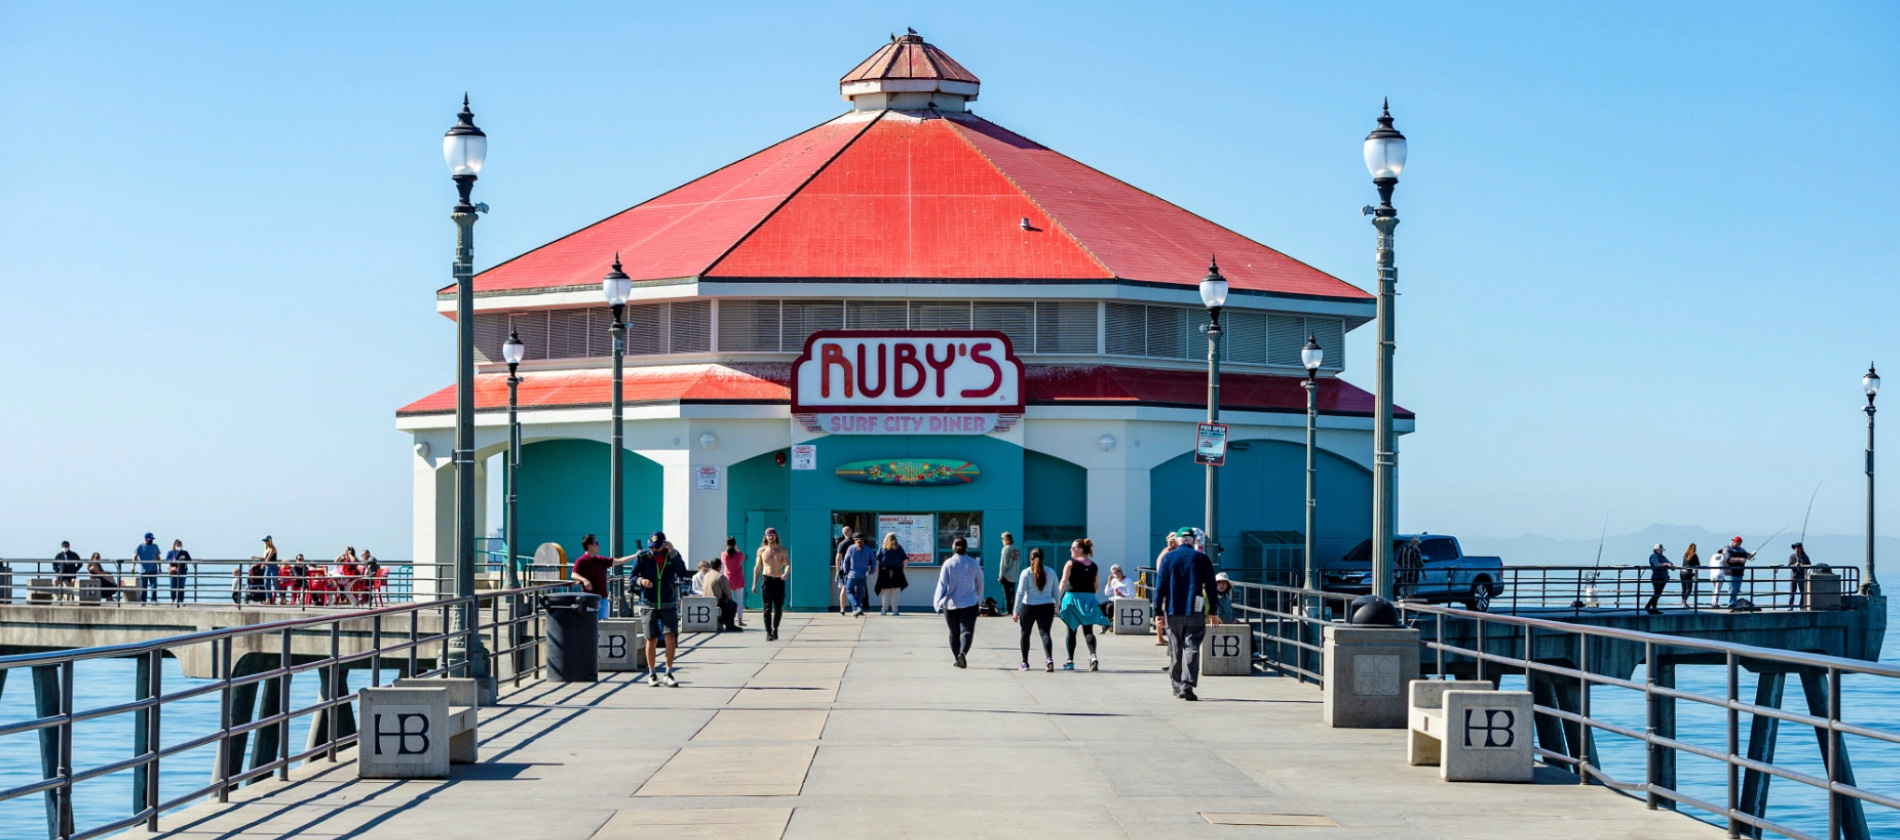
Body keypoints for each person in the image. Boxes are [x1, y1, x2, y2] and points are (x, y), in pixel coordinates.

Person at [1154, 526, 1221, 701]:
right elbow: (1212, 587)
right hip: (1195, 610)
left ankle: (1176, 685)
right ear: (1193, 540)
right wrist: (1213, 610)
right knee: (1191, 648)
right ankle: (1188, 685)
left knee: (1176, 648)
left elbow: (1159, 586)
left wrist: (1157, 611)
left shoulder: (1168, 558)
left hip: (1172, 610)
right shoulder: (1201, 558)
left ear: (1177, 540)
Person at [628, 532, 690, 686]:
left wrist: (673, 553)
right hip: (649, 603)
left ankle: (668, 673)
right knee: (651, 639)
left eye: (657, 547)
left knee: (670, 637)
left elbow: (682, 572)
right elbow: (632, 577)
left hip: (668, 603)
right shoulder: (642, 557)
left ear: (664, 544)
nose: (654, 550)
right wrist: (641, 581)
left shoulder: (671, 556)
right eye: (651, 547)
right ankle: (652, 673)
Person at [1057, 538, 1111, 671]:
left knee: (1071, 631)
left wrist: (1058, 598)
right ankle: (1093, 656)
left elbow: (1064, 581)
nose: (1071, 550)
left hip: (1072, 598)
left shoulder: (1070, 563)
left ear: (1081, 549)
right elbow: (1096, 586)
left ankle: (1070, 661)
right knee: (1088, 630)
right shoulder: (1094, 565)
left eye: (1074, 547)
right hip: (1089, 599)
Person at [933, 537, 983, 668]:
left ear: (953, 548)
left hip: (951, 604)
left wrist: (937, 602)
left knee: (954, 632)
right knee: (967, 631)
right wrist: (976, 596)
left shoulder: (948, 564)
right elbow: (980, 582)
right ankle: (963, 653)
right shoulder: (973, 563)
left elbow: (942, 584)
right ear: (966, 548)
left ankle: (957, 658)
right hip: (969, 603)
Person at [1013, 547, 1059, 671]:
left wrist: (1016, 611)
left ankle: (1025, 662)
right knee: (1045, 633)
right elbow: (1056, 592)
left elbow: (1020, 592)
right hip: (1047, 606)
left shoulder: (1026, 573)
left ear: (1030, 558)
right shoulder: (1051, 572)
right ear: (1043, 558)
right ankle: (1049, 658)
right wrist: (1056, 607)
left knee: (1025, 634)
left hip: (1029, 606)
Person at [571, 534, 627, 620]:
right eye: (596, 543)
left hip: (603, 599)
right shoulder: (581, 561)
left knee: (603, 625)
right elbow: (574, 574)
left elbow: (619, 561)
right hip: (590, 599)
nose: (598, 545)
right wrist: (584, 580)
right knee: (591, 624)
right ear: (589, 546)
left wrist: (636, 555)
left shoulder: (600, 560)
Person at [751, 527, 790, 640]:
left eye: (772, 535)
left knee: (778, 607)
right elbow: (757, 567)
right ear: (766, 537)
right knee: (767, 608)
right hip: (766, 580)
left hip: (778, 580)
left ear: (776, 536)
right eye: (769, 535)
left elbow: (787, 564)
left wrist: (786, 573)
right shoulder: (761, 550)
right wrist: (754, 583)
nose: (771, 537)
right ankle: (768, 633)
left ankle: (775, 628)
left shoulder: (782, 550)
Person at [1153, 533, 1179, 647]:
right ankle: (1160, 637)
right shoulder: (1167, 553)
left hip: (1166, 586)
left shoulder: (1167, 552)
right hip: (1166, 586)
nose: (1172, 542)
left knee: (1163, 611)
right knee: (1163, 611)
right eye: (1170, 540)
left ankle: (1160, 637)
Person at [873, 533, 909, 615]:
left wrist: (878, 571)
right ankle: (895, 610)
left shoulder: (882, 548)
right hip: (896, 571)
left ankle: (884, 610)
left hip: (884, 571)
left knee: (885, 592)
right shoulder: (899, 548)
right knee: (895, 592)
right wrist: (902, 570)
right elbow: (905, 560)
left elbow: (877, 561)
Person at [842, 534, 875, 618]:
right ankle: (856, 610)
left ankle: (856, 607)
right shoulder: (868, 549)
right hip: (863, 574)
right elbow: (874, 561)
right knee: (860, 593)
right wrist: (871, 571)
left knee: (849, 591)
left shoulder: (851, 548)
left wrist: (845, 572)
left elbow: (846, 561)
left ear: (854, 540)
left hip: (852, 574)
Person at [703, 557, 740, 631]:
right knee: (733, 605)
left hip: (705, 601)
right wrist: (730, 599)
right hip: (716, 602)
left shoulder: (706, 575)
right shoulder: (720, 577)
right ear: (720, 567)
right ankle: (729, 624)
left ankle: (724, 620)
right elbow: (728, 592)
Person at [721, 537, 747, 627]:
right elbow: (743, 556)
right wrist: (736, 546)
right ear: (734, 544)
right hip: (739, 580)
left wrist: (728, 546)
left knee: (729, 601)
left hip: (728, 581)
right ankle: (740, 620)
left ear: (726, 544)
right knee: (740, 601)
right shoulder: (739, 555)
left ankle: (730, 619)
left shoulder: (724, 555)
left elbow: (726, 554)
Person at [1723, 536, 1754, 608]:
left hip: (1740, 573)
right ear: (1734, 542)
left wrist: (1752, 555)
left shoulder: (1742, 550)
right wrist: (1740, 560)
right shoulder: (1727, 548)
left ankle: (1734, 603)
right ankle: (1731, 604)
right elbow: (1728, 559)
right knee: (1732, 589)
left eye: (1740, 544)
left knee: (1737, 590)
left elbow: (1748, 556)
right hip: (1731, 572)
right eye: (1737, 543)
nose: (1738, 545)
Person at [996, 532, 1021, 616]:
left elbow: (1003, 564)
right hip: (1014, 575)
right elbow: (1019, 562)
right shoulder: (1016, 548)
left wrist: (1000, 575)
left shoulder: (1005, 549)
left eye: (1002, 539)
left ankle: (1008, 610)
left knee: (1006, 594)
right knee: (1012, 593)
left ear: (1006, 539)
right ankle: (1014, 610)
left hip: (1006, 575)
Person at [133, 532, 162, 603]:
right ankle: (143, 601)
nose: (151, 541)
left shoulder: (155, 546)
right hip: (144, 570)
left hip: (153, 569)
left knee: (154, 586)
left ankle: (153, 600)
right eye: (149, 539)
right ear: (145, 539)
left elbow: (158, 557)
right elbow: (135, 557)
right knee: (143, 587)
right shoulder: (140, 546)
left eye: (152, 539)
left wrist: (160, 567)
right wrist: (133, 567)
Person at [833, 525, 857, 613]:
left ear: (843, 534)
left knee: (844, 588)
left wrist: (838, 570)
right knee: (854, 588)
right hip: (855, 568)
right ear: (850, 532)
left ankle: (842, 609)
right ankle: (854, 608)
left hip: (845, 569)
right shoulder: (855, 543)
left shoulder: (842, 544)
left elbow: (838, 558)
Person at [1644, 543, 1673, 614]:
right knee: (1657, 593)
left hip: (1663, 577)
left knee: (1658, 593)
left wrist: (1671, 565)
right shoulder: (1653, 556)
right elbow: (1656, 565)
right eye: (1660, 550)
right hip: (1657, 577)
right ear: (1656, 550)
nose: (1662, 551)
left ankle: (1653, 608)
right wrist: (1666, 564)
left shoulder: (1662, 557)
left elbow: (1669, 563)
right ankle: (1649, 606)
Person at [248, 537, 277, 605]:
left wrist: (263, 564)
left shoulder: (272, 548)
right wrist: (256, 557)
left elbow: (268, 558)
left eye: (266, 541)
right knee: (266, 584)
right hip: (268, 567)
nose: (265, 542)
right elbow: (264, 558)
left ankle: (282, 597)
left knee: (275, 584)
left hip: (273, 567)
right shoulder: (266, 549)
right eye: (264, 541)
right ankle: (268, 600)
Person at [164, 540, 190, 605]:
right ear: (174, 546)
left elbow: (189, 559)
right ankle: (173, 599)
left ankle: (181, 600)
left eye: (180, 545)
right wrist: (173, 560)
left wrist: (184, 558)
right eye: (178, 545)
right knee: (173, 585)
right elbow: (167, 559)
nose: (179, 547)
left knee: (181, 586)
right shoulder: (171, 552)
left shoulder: (185, 552)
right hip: (173, 571)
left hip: (182, 571)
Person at [1787, 542, 1813, 609]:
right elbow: (1789, 565)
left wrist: (1802, 565)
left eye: (1798, 547)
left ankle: (1801, 606)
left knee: (1803, 592)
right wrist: (1795, 565)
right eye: (1795, 548)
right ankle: (1790, 606)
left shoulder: (1805, 557)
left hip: (1802, 576)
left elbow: (1809, 565)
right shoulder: (1792, 556)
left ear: (1801, 548)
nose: (1797, 549)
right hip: (1794, 576)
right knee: (1792, 592)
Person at [1679, 543, 1701, 609]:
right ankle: (1684, 601)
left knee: (1684, 588)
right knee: (1689, 589)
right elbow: (1698, 564)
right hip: (1688, 573)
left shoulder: (1685, 554)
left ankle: (1683, 602)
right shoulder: (1694, 555)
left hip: (1682, 572)